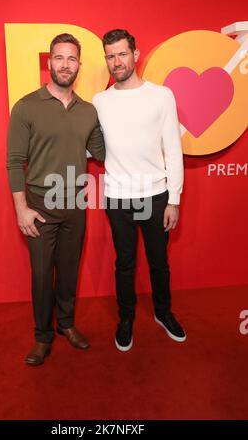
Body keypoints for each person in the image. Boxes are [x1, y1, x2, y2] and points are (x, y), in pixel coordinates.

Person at [7, 33, 105, 365]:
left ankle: (66, 325)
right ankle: (42, 336)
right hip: (39, 203)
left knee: (68, 270)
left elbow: (103, 153)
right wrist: (22, 209)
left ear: (79, 64)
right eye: (59, 58)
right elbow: (14, 161)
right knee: (40, 273)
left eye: (72, 59)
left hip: (76, 203)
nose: (65, 65)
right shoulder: (26, 106)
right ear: (49, 62)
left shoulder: (88, 111)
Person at [93, 29, 186, 352]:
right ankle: (126, 318)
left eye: (122, 53)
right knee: (125, 263)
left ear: (136, 54)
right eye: (110, 56)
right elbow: (94, 147)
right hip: (117, 197)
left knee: (159, 262)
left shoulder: (162, 96)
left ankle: (163, 313)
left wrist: (174, 199)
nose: (116, 61)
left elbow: (173, 149)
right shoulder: (99, 101)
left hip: (155, 196)